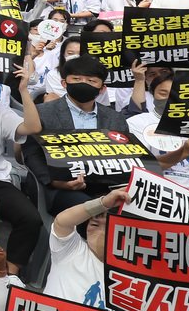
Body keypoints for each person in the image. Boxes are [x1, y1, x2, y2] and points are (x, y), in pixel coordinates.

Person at [21, 56, 129, 214]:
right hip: (59, 188)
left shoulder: (116, 119)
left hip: (106, 187)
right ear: (64, 83)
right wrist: (57, 183)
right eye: (77, 79)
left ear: (102, 88)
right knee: (95, 210)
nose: (83, 84)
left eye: (91, 81)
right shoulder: (41, 113)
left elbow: (125, 156)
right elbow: (31, 154)